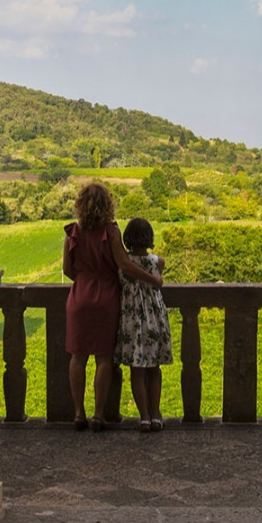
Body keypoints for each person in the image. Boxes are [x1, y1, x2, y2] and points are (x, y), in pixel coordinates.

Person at [63, 183, 161, 431]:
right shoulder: (111, 232)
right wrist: (153, 280)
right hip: (107, 297)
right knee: (103, 358)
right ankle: (98, 414)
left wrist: (85, 280)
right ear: (107, 204)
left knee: (78, 356)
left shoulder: (72, 232)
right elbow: (125, 266)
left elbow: (67, 269)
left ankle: (78, 413)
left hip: (79, 296)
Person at [114, 217, 173, 432]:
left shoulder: (122, 264)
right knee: (154, 369)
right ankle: (156, 414)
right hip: (155, 318)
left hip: (132, 320)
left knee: (137, 371)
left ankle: (144, 417)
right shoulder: (158, 262)